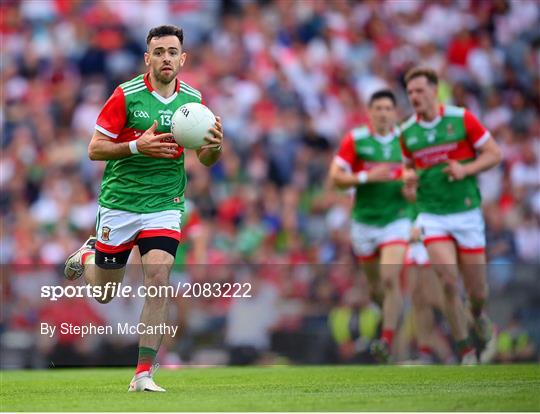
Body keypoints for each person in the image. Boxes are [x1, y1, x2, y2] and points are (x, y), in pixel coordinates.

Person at [63, 25, 223, 391]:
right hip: (120, 203)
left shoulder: (195, 101)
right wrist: (138, 146)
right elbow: (94, 148)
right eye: (158, 51)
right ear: (147, 58)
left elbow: (207, 159)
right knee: (105, 292)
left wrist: (215, 145)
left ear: (182, 59)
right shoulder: (126, 94)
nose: (165, 57)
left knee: (158, 277)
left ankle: (143, 373)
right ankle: (90, 255)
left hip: (165, 204)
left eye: (172, 51)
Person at [400, 67, 501, 364]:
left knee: (477, 291)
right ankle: (466, 351)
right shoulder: (408, 132)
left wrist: (465, 169)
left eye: (419, 91)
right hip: (432, 214)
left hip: (466, 213)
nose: (414, 97)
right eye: (410, 93)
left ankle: (480, 316)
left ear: (435, 90)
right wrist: (408, 181)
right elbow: (407, 167)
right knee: (446, 279)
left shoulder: (461, 119)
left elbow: (494, 153)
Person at [329, 90, 410, 362]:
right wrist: (366, 177)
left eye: (389, 108)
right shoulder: (356, 140)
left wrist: (412, 185)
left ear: (395, 112)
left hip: (397, 218)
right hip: (365, 222)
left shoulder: (407, 140)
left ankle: (385, 340)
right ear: (370, 111)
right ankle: (386, 319)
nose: (384, 113)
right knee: (376, 288)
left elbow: (419, 174)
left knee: (390, 279)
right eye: (379, 108)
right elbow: (336, 178)